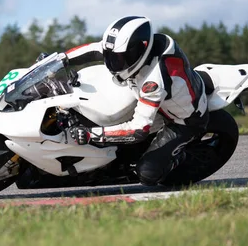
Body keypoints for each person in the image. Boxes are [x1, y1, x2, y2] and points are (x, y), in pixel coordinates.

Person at [59, 15, 209, 186]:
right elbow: (95, 49)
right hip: (160, 103)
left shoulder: (153, 82)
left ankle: (178, 157)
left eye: (119, 59)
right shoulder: (133, 49)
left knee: (147, 173)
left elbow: (137, 130)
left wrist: (90, 134)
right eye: (111, 58)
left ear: (140, 50)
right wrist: (59, 59)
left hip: (183, 120)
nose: (114, 64)